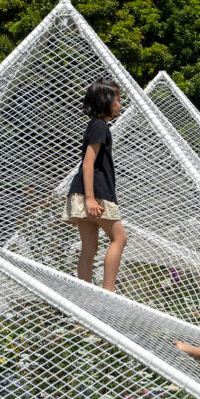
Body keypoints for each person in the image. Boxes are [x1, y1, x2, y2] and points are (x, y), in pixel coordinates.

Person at [61, 77, 127, 292]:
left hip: (83, 192)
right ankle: (108, 291)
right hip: (95, 194)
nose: (120, 104)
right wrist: (90, 198)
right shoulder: (100, 126)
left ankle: (86, 296)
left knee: (89, 248)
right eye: (117, 99)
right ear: (106, 101)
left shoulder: (95, 125)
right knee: (119, 238)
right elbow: (88, 163)